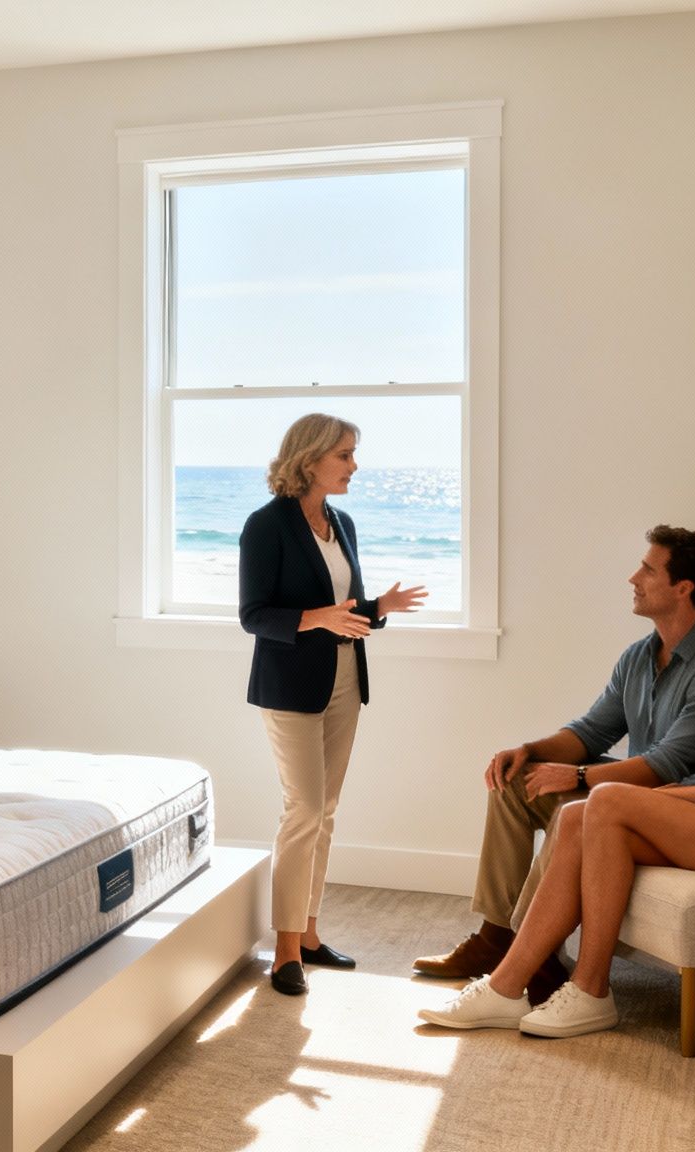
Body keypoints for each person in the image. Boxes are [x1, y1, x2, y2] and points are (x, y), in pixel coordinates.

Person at [418, 544, 695, 1037]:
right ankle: (508, 986)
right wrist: (543, 754)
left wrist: (649, 797)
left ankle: (589, 988)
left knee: (601, 801)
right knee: (583, 816)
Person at [412, 526, 695, 1004]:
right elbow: (591, 731)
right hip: (624, 794)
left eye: (648, 569)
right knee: (515, 782)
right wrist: (530, 750)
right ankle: (495, 936)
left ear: (683, 588)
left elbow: (667, 763)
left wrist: (580, 776)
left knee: (570, 800)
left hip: (669, 809)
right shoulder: (638, 657)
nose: (634, 577)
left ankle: (534, 950)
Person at [239, 413, 428, 996]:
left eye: (352, 454)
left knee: (326, 810)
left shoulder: (341, 522)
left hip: (345, 675)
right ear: (311, 458)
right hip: (291, 685)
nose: (353, 465)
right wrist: (320, 618)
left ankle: (312, 935)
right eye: (344, 454)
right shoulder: (265, 525)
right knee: (303, 809)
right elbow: (254, 616)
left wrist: (380, 606)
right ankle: (285, 951)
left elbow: (343, 608)